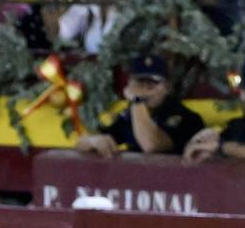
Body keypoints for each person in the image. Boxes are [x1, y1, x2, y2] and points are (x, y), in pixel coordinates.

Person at [74, 54, 206, 158]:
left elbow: (151, 145)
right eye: (139, 83)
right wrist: (93, 141)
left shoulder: (186, 118)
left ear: (167, 87)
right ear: (130, 84)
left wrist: (137, 100)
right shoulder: (129, 116)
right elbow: (81, 143)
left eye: (152, 84)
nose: (144, 90)